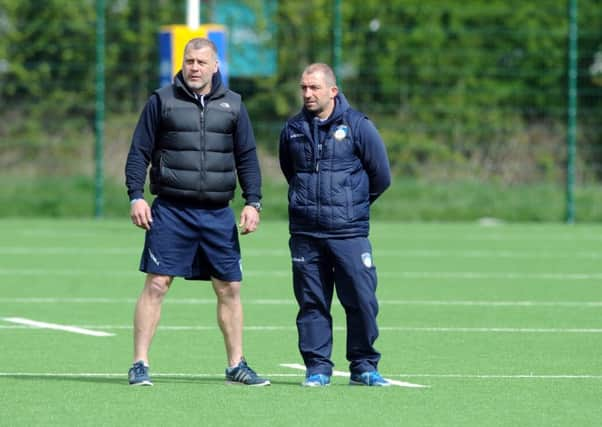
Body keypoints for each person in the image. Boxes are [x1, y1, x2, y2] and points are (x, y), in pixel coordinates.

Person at [124, 37, 269, 387]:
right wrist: (135, 196)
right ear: (183, 63)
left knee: (229, 288)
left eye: (202, 62)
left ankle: (236, 365)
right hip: (172, 211)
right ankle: (139, 363)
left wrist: (253, 201)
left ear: (215, 66)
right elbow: (138, 152)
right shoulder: (162, 101)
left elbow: (247, 157)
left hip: (219, 213)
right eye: (189, 61)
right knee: (157, 284)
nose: (194, 68)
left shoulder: (233, 105)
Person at [278, 63, 392, 387]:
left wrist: (350, 205)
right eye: (303, 88)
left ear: (333, 91)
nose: (307, 94)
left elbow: (380, 175)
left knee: (361, 298)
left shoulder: (358, 126)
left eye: (314, 88)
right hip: (305, 233)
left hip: (349, 232)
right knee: (312, 303)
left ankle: (364, 366)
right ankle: (317, 368)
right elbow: (292, 172)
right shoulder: (292, 129)